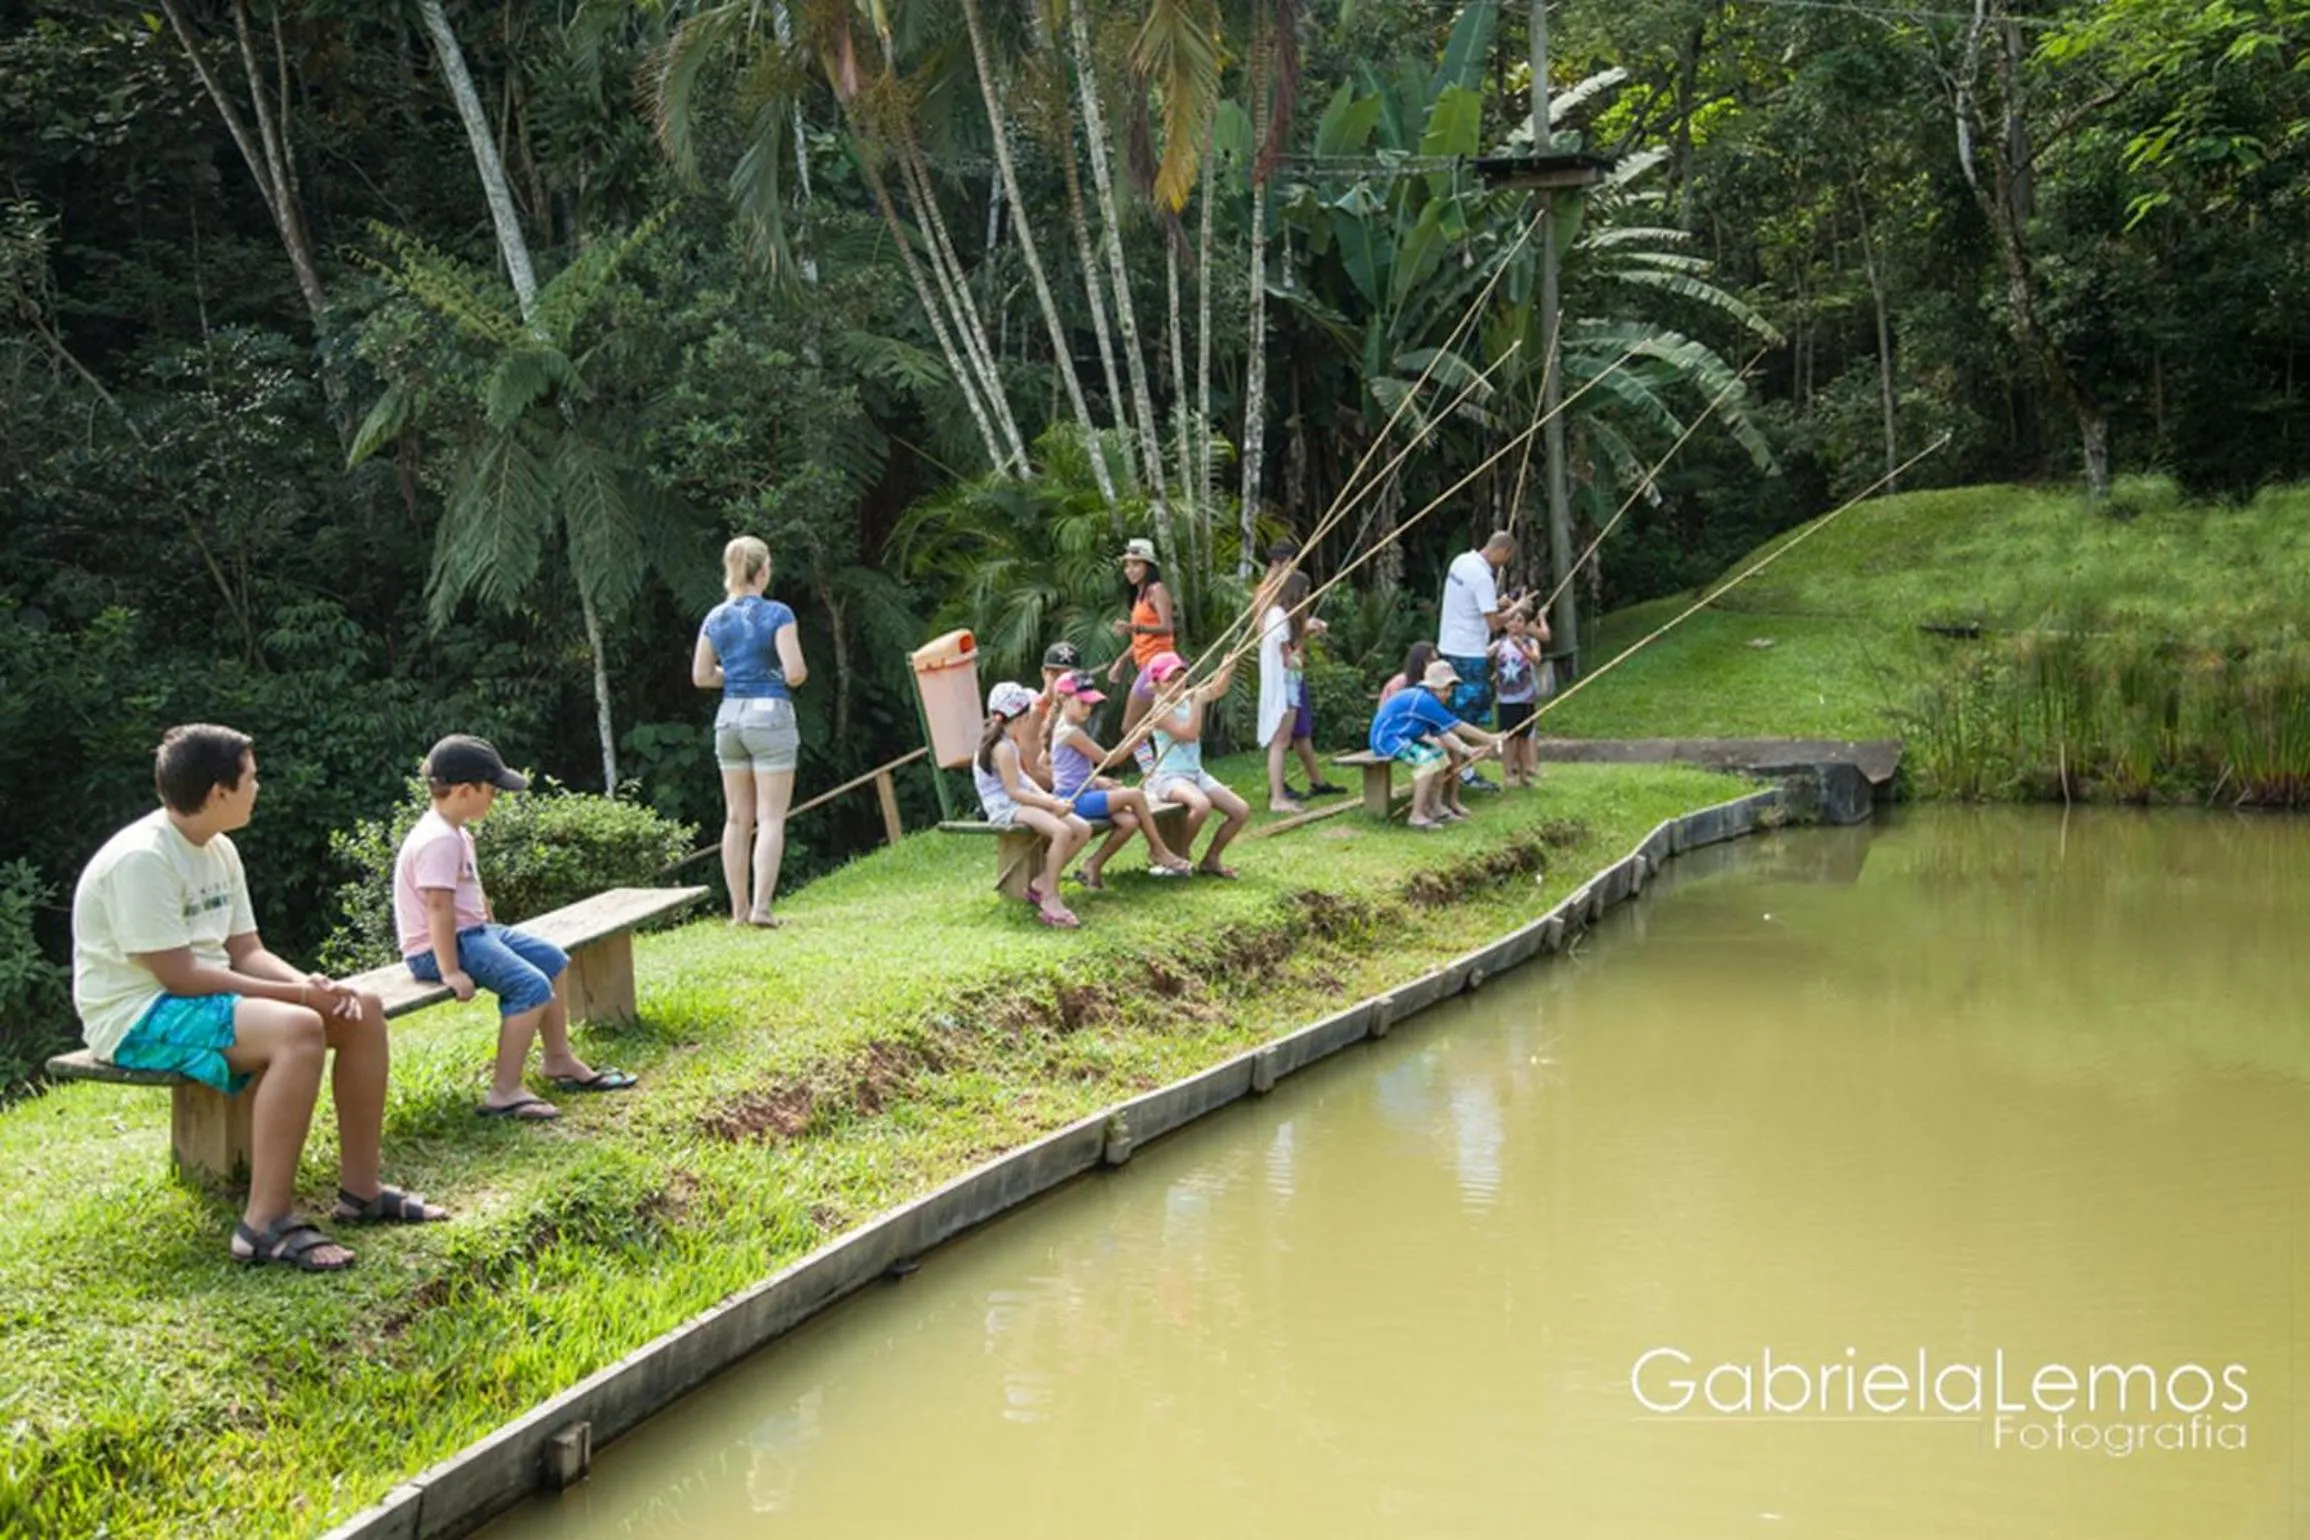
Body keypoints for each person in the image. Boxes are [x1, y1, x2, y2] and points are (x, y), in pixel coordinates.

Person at [71, 725, 446, 1274]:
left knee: (360, 1008)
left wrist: (314, 987)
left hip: (200, 998)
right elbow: (179, 976)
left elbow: (246, 951)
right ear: (218, 792)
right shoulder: (143, 859)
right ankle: (263, 1224)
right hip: (136, 1015)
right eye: (251, 777)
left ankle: (361, 1191)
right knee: (297, 1029)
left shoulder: (219, 848)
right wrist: (298, 998)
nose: (258, 787)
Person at [396, 735, 638, 1122]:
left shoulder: (456, 832)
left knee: (552, 960)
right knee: (530, 986)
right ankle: (504, 1091)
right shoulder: (437, 839)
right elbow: (438, 907)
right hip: (439, 948)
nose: (495, 799)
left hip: (473, 933)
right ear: (464, 790)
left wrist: (490, 923)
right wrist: (450, 971)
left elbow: (468, 894)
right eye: (492, 791)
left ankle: (558, 1058)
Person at [695, 535, 809, 928]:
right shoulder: (778, 614)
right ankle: (762, 908)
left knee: (736, 819)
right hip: (769, 714)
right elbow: (795, 673)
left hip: (729, 716)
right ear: (761, 572)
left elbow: (701, 675)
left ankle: (738, 911)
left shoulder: (715, 617)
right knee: (771, 817)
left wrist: (735, 675)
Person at [1048, 670, 1191, 886]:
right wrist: (1137, 738)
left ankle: (1093, 864)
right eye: (1083, 703)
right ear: (1063, 699)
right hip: (1072, 800)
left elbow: (1073, 771)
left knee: (1129, 822)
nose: (1088, 709)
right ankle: (1159, 849)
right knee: (1135, 795)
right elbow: (1109, 760)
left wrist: (1100, 781)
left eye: (1090, 704)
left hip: (1085, 792)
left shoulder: (1071, 729)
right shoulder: (1070, 733)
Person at [976, 681, 1091, 928]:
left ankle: (1044, 881)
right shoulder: (1002, 747)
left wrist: (1050, 799)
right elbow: (1014, 791)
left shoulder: (1009, 741)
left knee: (1082, 829)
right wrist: (1050, 806)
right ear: (1022, 718)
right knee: (1061, 831)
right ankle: (1051, 898)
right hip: (1005, 807)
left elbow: (1024, 779)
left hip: (1018, 801)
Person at [1142, 651, 1252, 878]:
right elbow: (1189, 734)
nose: (1178, 683)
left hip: (1195, 774)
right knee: (1201, 805)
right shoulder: (1160, 710)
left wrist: (1226, 668)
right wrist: (1197, 702)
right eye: (1170, 679)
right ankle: (1177, 856)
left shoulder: (1186, 697)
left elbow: (1217, 689)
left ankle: (1211, 859)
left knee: (1240, 811)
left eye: (1181, 676)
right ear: (1156, 684)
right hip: (1169, 778)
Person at [1436, 531, 1532, 786]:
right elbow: (1493, 624)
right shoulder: (1482, 576)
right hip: (1468, 653)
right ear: (1502, 551)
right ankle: (1464, 772)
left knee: (1451, 711)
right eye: (1506, 558)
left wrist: (1497, 602)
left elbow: (1470, 603)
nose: (1504, 563)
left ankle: (1454, 769)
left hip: (1449, 646)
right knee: (1467, 714)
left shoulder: (1461, 561)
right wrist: (1517, 607)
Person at [1369, 660, 1503, 829]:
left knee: (1441, 757)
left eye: (1451, 690)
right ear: (1432, 687)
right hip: (1387, 739)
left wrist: (1467, 750)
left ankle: (1435, 807)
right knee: (1428, 762)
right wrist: (1489, 738)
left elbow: (1443, 732)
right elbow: (1456, 725)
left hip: (1404, 737)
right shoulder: (1423, 701)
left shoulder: (1429, 700)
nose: (1449, 694)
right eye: (1445, 690)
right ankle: (1416, 815)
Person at [1257, 550, 1337, 813]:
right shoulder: (1278, 615)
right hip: (1284, 685)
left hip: (1287, 683)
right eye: (1305, 593)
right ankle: (1277, 798)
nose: (1307, 597)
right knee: (1280, 741)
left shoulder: (1280, 615)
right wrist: (1294, 657)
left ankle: (1279, 796)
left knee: (1282, 740)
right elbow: (1284, 657)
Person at [1106, 538, 1176, 766]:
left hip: (1160, 664)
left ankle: (1151, 772)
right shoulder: (1140, 595)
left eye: (1136, 564)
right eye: (1127, 565)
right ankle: (1160, 770)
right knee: (1158, 722)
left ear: (1148, 566)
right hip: (1148, 664)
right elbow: (1141, 638)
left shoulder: (1157, 590)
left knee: (1130, 725)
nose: (1130, 570)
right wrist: (1121, 661)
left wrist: (1134, 628)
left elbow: (1167, 627)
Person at [1490, 608, 1551, 789]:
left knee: (1524, 738)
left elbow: (1537, 660)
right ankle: (1509, 774)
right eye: (1510, 620)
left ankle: (1524, 774)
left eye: (1519, 620)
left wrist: (1522, 648)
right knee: (1508, 738)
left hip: (1526, 698)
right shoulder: (1500, 643)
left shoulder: (1531, 642)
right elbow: (1485, 653)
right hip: (1505, 700)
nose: (1514, 624)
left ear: (1525, 624)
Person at [1379, 640, 1440, 706]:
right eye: (1430, 661)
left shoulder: (1434, 684)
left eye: (1436, 661)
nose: (1434, 665)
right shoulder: (1399, 683)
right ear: (1419, 661)